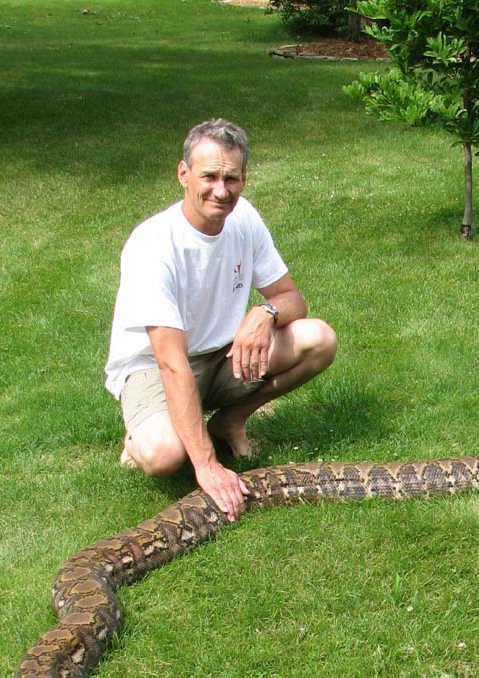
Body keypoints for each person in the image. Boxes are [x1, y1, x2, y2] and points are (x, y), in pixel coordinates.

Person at [105, 118, 337, 522]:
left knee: (318, 338)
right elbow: (171, 362)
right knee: (164, 455)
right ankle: (139, 438)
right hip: (156, 369)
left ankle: (231, 420)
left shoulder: (244, 218)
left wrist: (265, 313)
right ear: (183, 174)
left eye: (231, 178)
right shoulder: (153, 245)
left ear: (244, 178)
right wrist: (207, 466)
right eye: (209, 176)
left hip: (222, 356)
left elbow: (292, 299)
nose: (221, 189)